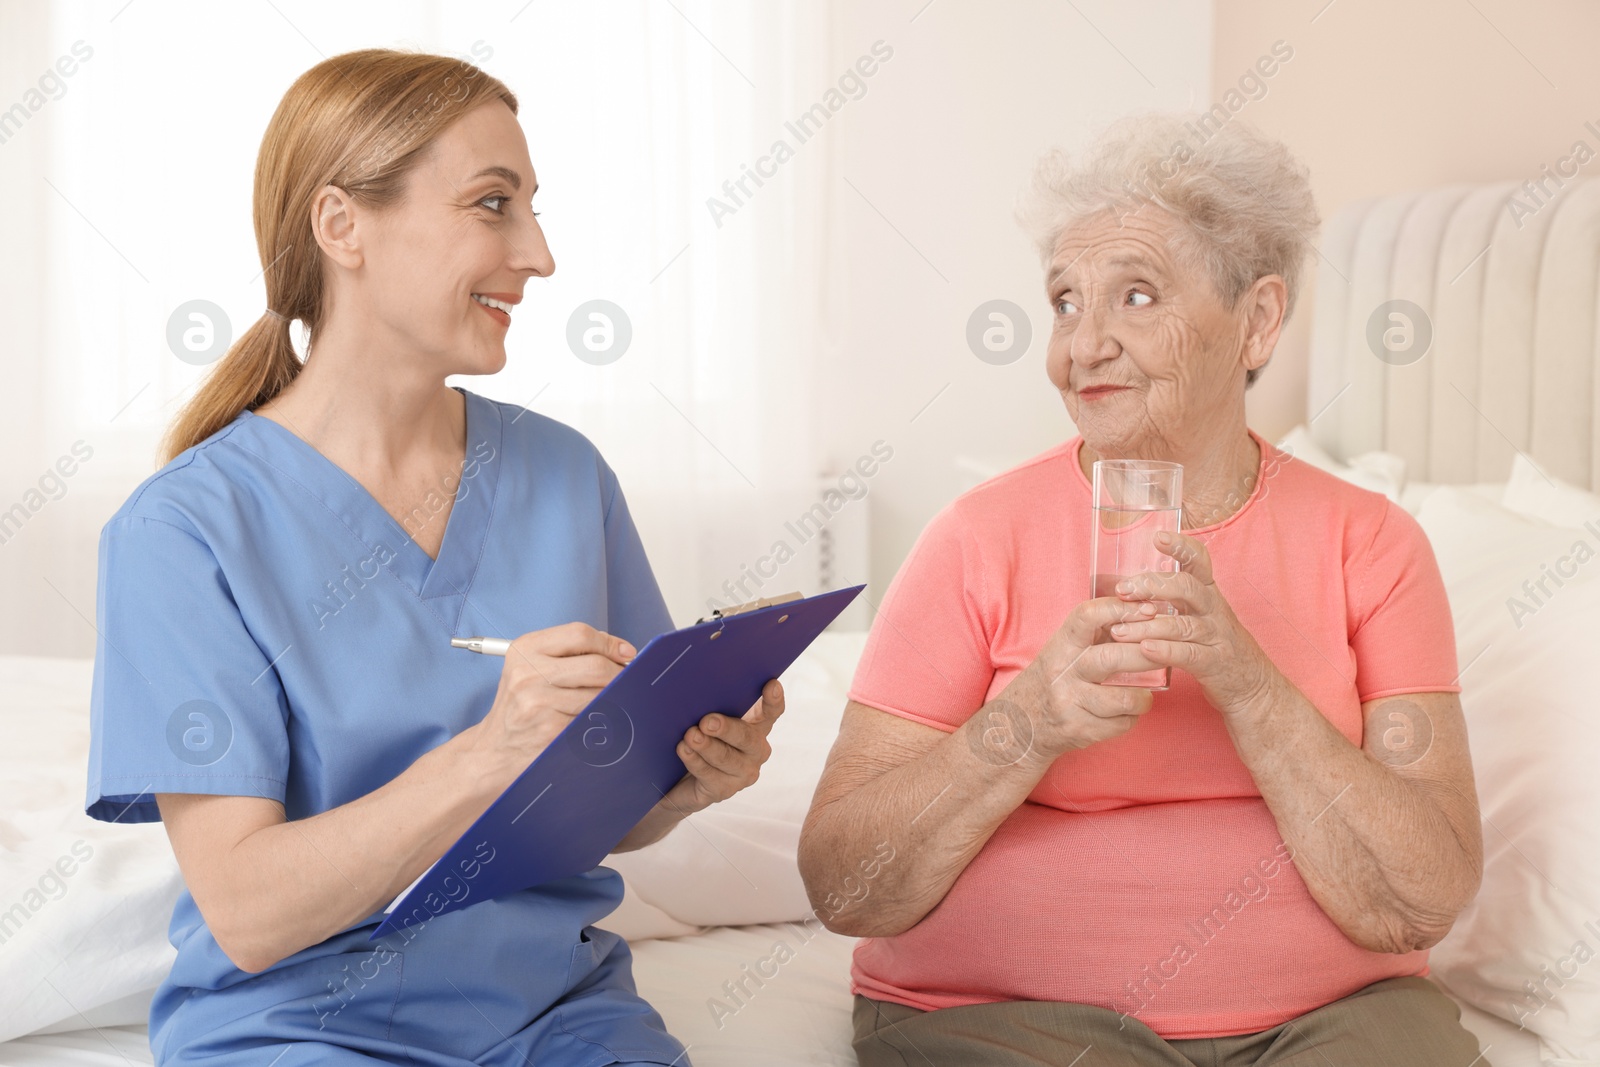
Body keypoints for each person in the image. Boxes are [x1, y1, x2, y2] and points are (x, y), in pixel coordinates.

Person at [84, 48, 781, 1066]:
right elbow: (246, 909)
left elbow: (597, 814)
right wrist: (488, 753)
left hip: (558, 1018)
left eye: (533, 208)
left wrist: (683, 784)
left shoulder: (563, 475)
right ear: (342, 225)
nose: (538, 254)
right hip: (300, 1028)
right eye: (492, 204)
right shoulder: (182, 532)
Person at [797, 113, 1489, 1066]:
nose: (1083, 346)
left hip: (1335, 1020)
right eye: (1065, 302)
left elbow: (1428, 892)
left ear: (1257, 320)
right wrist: (1028, 720)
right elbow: (844, 885)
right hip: (1005, 1015)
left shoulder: (1372, 545)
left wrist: (1249, 687)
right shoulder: (974, 538)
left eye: (1135, 295)